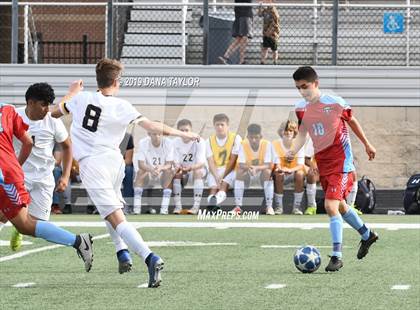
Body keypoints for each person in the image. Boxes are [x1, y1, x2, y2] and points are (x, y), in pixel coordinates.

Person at [51, 58, 199, 287]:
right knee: (110, 210)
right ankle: (122, 252)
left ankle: (149, 257)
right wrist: (182, 134)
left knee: (114, 215)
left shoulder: (80, 98)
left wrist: (71, 93)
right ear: (116, 81)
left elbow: (54, 113)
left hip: (93, 164)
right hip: (114, 162)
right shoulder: (123, 106)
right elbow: (151, 126)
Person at [289, 66, 378, 272]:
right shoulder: (301, 107)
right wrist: (293, 150)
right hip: (324, 163)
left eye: (305, 86)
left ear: (316, 84)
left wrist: (367, 144)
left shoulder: (334, 102)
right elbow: (303, 133)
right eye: (298, 88)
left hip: (341, 163)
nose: (302, 92)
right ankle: (367, 235)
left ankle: (337, 256)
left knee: (330, 206)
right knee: (340, 207)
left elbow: (352, 121)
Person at [0, 102, 93, 272]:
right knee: (13, 219)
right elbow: (28, 142)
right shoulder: (8, 109)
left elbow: (65, 143)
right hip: (12, 174)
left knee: (28, 224)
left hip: (8, 178)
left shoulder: (15, 112)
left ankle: (78, 241)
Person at [8, 83, 74, 251]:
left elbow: (67, 146)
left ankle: (19, 229)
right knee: (3, 214)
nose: (47, 109)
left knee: (39, 226)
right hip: (17, 177)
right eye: (43, 104)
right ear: (30, 103)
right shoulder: (14, 116)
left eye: (49, 104)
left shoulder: (52, 121)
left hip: (43, 178)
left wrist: (65, 176)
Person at [234, 124, 274, 215]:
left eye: (256, 137)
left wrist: (257, 168)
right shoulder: (243, 144)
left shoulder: (267, 144)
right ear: (247, 136)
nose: (253, 140)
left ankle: (269, 206)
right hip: (249, 173)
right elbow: (241, 164)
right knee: (239, 172)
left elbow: (268, 165)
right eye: (251, 137)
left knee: (268, 173)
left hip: (261, 174)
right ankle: (238, 207)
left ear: (261, 136)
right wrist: (250, 168)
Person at [206, 114, 242, 212]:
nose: (219, 127)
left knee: (223, 185)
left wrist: (222, 176)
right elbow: (210, 161)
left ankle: (213, 205)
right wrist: (217, 175)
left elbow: (233, 160)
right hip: (215, 170)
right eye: (217, 125)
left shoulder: (236, 138)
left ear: (228, 126)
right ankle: (213, 207)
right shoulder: (209, 141)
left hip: (230, 169)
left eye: (222, 124)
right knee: (213, 188)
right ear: (214, 126)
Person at [133, 130, 175, 215]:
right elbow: (141, 164)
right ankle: (136, 209)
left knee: (169, 172)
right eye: (154, 134)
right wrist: (151, 169)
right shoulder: (143, 142)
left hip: (162, 172)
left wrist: (161, 168)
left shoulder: (168, 142)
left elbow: (169, 164)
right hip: (148, 172)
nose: (157, 137)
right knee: (140, 171)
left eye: (159, 134)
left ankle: (164, 209)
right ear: (149, 134)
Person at [172, 119, 206, 215]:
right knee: (176, 173)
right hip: (182, 170)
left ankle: (195, 207)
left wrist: (190, 168)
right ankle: (178, 207)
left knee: (198, 171)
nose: (184, 133)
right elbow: (175, 162)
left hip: (196, 170)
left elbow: (201, 163)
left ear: (191, 130)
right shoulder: (174, 142)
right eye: (181, 131)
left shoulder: (199, 141)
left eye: (186, 130)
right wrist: (180, 168)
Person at [272, 120, 306, 215]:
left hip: (293, 172)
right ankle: (279, 207)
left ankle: (296, 207)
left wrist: (290, 170)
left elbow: (301, 164)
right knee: (278, 174)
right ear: (281, 132)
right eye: (285, 130)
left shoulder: (299, 144)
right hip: (281, 171)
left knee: (300, 174)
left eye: (290, 130)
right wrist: (281, 169)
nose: (288, 133)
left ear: (294, 132)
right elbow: (276, 163)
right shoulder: (275, 143)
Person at [218, 0, 253, 65]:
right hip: (244, 14)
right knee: (244, 38)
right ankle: (242, 60)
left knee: (240, 39)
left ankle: (226, 56)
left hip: (240, 15)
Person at [52, 143, 73, 215]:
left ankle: (55, 205)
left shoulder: (58, 141)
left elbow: (57, 161)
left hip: (50, 168)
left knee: (56, 171)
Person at [257, 0, 280, 65]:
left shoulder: (274, 11)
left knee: (274, 49)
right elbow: (259, 14)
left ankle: (275, 61)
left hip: (273, 34)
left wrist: (269, 31)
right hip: (265, 33)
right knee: (265, 48)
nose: (266, 2)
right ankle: (262, 61)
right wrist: (260, 7)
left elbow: (275, 24)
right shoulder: (266, 10)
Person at [120, 133, 135, 213]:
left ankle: (127, 204)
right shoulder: (105, 135)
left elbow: (128, 160)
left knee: (128, 170)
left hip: (122, 165)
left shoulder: (127, 137)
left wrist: (116, 166)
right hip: (109, 165)